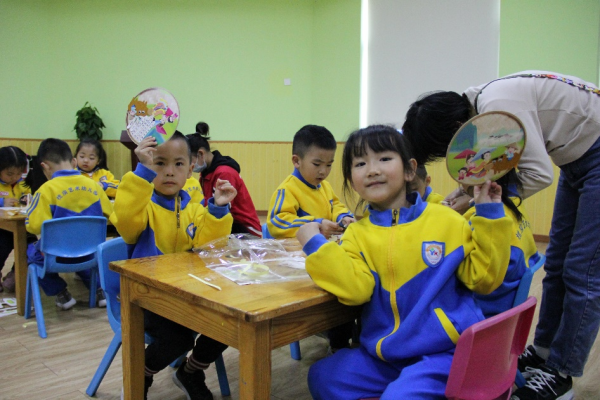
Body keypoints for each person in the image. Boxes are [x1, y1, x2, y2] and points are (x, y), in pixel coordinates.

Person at [401, 71, 600, 400]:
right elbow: (491, 171)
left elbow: (538, 175)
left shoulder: (498, 106)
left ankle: (561, 372)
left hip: (592, 153)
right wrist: (466, 193)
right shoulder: (480, 108)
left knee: (583, 271)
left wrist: (476, 200)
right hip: (575, 158)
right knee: (557, 262)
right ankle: (544, 352)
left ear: (457, 130)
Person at [297, 125, 512, 399]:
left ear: (410, 170)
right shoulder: (356, 235)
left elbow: (484, 279)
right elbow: (355, 290)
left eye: (384, 159)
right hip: (387, 356)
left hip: (445, 352)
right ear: (351, 180)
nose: (372, 170)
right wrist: (315, 244)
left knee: (399, 396)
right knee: (323, 376)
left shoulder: (447, 220)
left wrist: (490, 214)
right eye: (360, 164)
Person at [111, 132, 236, 400]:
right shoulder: (143, 206)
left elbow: (209, 245)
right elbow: (125, 221)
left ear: (191, 169)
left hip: (188, 293)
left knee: (231, 323)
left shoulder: (193, 208)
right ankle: (140, 374)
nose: (169, 172)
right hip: (146, 298)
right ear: (148, 165)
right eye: (159, 163)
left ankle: (191, 371)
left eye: (178, 164)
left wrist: (217, 209)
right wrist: (141, 174)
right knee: (178, 340)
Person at [267, 124, 356, 352]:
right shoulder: (288, 189)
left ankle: (344, 337)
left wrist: (344, 217)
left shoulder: (324, 186)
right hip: (299, 263)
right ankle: (337, 344)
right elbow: (277, 222)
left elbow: (336, 205)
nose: (323, 171)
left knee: (349, 288)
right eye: (317, 164)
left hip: (324, 255)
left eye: (329, 165)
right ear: (296, 161)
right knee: (339, 291)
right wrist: (315, 223)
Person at [25, 139, 113, 309]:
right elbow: (111, 215)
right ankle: (100, 290)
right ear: (73, 162)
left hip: (57, 255)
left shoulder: (45, 190)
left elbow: (33, 226)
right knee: (82, 249)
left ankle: (61, 294)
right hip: (90, 253)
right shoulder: (94, 187)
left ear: (45, 166)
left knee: (31, 254)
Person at [464, 170, 540, 318]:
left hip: (487, 308)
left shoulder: (475, 218)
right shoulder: (515, 203)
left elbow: (476, 277)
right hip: (508, 298)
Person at [186, 122, 261, 236]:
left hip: (245, 231)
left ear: (200, 154)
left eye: (188, 160)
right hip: (229, 224)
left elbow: (222, 211)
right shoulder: (206, 173)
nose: (188, 165)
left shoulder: (225, 173)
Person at [0, 146, 32, 292]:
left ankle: (15, 274)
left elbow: (28, 196)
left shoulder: (22, 183)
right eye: (10, 174)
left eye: (19, 173)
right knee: (2, 246)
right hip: (2, 228)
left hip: (21, 225)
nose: (14, 177)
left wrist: (27, 199)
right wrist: (2, 202)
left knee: (30, 245)